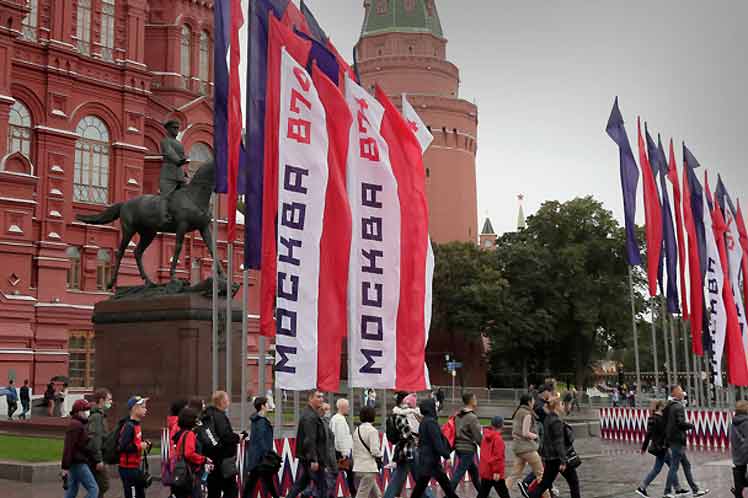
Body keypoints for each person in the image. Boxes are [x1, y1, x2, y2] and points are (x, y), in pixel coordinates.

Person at [525, 399, 580, 498]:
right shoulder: (556, 421)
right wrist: (563, 461)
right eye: (561, 404)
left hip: (550, 457)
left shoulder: (548, 418)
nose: (563, 406)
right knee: (573, 482)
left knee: (544, 484)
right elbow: (559, 442)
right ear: (556, 407)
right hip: (558, 457)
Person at [663, 385, 710, 498]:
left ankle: (695, 489)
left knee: (686, 464)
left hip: (672, 439)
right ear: (674, 393)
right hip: (678, 440)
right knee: (674, 466)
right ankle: (667, 491)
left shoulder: (669, 406)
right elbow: (680, 423)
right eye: (680, 390)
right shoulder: (678, 407)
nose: (682, 392)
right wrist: (691, 425)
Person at [383, 394, 434, 498]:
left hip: (402, 451)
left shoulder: (396, 415)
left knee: (399, 477)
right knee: (420, 477)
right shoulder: (402, 416)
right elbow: (406, 435)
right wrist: (416, 439)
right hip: (410, 450)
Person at [409, 399, 459, 498]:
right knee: (444, 484)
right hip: (431, 459)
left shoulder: (424, 421)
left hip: (426, 458)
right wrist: (446, 455)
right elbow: (437, 442)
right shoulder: (431, 422)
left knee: (423, 485)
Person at [635, 400, 684, 498]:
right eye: (664, 406)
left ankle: (677, 488)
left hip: (662, 447)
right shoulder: (654, 419)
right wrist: (644, 447)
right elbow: (649, 434)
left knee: (667, 467)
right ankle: (642, 488)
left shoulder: (660, 418)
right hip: (660, 448)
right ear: (660, 407)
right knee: (663, 468)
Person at [287, 390, 328, 498]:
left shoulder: (311, 414)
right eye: (318, 397)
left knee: (302, 483)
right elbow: (310, 439)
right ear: (310, 398)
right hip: (311, 458)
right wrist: (314, 459)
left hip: (309, 457)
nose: (321, 399)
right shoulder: (310, 416)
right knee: (322, 487)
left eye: (322, 397)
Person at [203, 391, 240, 498]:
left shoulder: (207, 415)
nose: (229, 402)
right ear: (222, 402)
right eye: (227, 400)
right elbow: (225, 436)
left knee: (214, 490)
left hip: (211, 458)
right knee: (231, 490)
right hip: (223, 459)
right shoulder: (219, 417)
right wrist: (238, 437)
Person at [243, 396, 279, 498]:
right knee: (254, 481)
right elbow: (261, 438)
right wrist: (267, 453)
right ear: (262, 406)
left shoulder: (256, 419)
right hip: (260, 457)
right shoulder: (261, 421)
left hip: (257, 456)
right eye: (267, 403)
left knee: (261, 481)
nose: (269, 405)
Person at [62, 399, 99, 498]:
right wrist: (65, 467)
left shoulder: (79, 424)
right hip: (78, 462)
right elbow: (69, 447)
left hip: (76, 462)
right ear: (79, 412)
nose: (88, 412)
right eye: (86, 410)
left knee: (72, 490)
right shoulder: (76, 425)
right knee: (93, 489)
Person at [507, 394, 544, 492]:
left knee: (514, 474)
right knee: (541, 474)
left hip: (518, 448)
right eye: (533, 400)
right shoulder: (527, 414)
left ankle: (503, 493)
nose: (534, 403)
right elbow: (525, 433)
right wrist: (536, 436)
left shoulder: (518, 411)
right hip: (527, 448)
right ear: (529, 402)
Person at [173, 407, 212, 498]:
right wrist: (204, 459)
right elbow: (189, 454)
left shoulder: (181, 433)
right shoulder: (189, 434)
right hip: (191, 474)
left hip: (182, 472)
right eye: (195, 418)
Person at [118, 396, 151, 498]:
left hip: (135, 467)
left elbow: (135, 442)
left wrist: (145, 444)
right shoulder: (129, 426)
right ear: (134, 408)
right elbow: (123, 447)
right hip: (128, 469)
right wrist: (139, 446)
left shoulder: (137, 425)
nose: (146, 409)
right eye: (143, 407)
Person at [159, 119, 189, 224]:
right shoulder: (165, 141)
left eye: (177, 128)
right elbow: (169, 152)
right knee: (166, 195)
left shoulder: (179, 144)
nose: (176, 130)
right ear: (168, 129)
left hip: (179, 173)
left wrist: (183, 171)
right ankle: (163, 216)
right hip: (168, 173)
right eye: (174, 128)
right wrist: (179, 161)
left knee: (188, 193)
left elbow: (181, 156)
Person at [451, 392, 482, 492]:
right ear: (471, 401)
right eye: (475, 399)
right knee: (459, 473)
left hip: (459, 447)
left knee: (474, 473)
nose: (476, 401)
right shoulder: (472, 417)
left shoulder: (458, 415)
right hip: (468, 448)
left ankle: (482, 493)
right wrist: (485, 447)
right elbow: (477, 436)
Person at [87, 388, 113, 498]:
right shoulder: (97, 417)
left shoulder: (100, 415)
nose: (111, 402)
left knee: (99, 486)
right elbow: (95, 438)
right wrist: (98, 459)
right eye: (109, 399)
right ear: (101, 400)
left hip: (100, 456)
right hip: (97, 458)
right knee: (103, 485)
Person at [353, 406, 382, 498]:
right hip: (369, 468)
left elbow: (354, 449)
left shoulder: (357, 430)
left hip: (358, 467)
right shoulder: (373, 431)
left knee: (376, 494)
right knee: (362, 495)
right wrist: (380, 455)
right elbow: (375, 451)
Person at [477, 416, 510, 498]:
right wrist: (497, 471)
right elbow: (498, 457)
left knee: (483, 493)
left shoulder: (485, 437)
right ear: (502, 425)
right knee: (504, 493)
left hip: (486, 470)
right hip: (494, 472)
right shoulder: (498, 439)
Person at [330, 398, 356, 496]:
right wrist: (345, 453)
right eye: (347, 407)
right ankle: (354, 494)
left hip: (337, 452)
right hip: (341, 453)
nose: (349, 409)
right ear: (343, 407)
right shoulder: (340, 420)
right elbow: (340, 438)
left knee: (337, 475)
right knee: (351, 476)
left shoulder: (334, 419)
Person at [731, 400, 748, 498]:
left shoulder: (734, 422)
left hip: (737, 454)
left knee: (739, 476)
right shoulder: (746, 422)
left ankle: (738, 492)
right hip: (745, 454)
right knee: (742, 477)